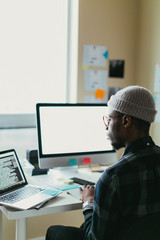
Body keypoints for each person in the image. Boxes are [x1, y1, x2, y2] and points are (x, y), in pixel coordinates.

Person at [46, 85, 160, 240]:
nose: (106, 126)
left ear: (126, 121)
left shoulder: (113, 177)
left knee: (55, 232)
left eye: (110, 119)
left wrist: (88, 203)